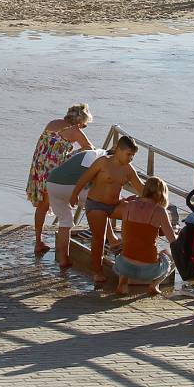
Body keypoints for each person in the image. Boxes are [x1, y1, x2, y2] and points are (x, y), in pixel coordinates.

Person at [70, 136, 145, 287]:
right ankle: (97, 271)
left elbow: (142, 189)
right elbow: (85, 177)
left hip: (115, 204)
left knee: (138, 215)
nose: (130, 158)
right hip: (96, 204)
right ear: (118, 150)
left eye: (133, 156)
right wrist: (74, 194)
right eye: (128, 154)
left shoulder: (129, 170)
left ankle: (129, 250)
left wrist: (157, 200)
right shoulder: (103, 162)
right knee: (99, 238)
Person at [25, 104, 94, 257]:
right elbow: (90, 149)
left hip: (38, 167)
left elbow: (44, 146)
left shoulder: (52, 123)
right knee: (60, 208)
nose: (84, 127)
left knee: (42, 206)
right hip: (53, 172)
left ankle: (38, 241)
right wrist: (74, 154)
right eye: (85, 124)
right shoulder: (75, 131)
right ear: (79, 121)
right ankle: (62, 248)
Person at [112, 177, 176, 296]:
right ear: (162, 193)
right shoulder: (160, 211)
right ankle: (155, 284)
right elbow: (173, 240)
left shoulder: (129, 206)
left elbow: (125, 235)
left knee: (127, 246)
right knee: (171, 252)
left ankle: (122, 284)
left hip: (123, 266)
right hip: (149, 271)